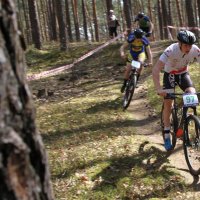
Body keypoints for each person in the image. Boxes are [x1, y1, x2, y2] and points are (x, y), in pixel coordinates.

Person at [152, 30, 200, 151]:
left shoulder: (195, 50)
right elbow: (156, 69)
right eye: (185, 45)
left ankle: (184, 122)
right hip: (170, 75)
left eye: (190, 45)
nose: (188, 48)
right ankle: (167, 134)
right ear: (179, 43)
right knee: (168, 104)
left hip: (184, 74)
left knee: (192, 96)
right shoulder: (170, 50)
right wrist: (158, 88)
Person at [120, 28, 153, 93]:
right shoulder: (131, 38)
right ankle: (124, 84)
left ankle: (136, 80)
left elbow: (149, 52)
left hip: (141, 53)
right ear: (135, 36)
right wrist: (122, 53)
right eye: (137, 38)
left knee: (140, 64)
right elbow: (122, 47)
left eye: (140, 38)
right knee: (128, 69)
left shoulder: (144, 40)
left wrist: (150, 61)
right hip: (132, 54)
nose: (139, 39)